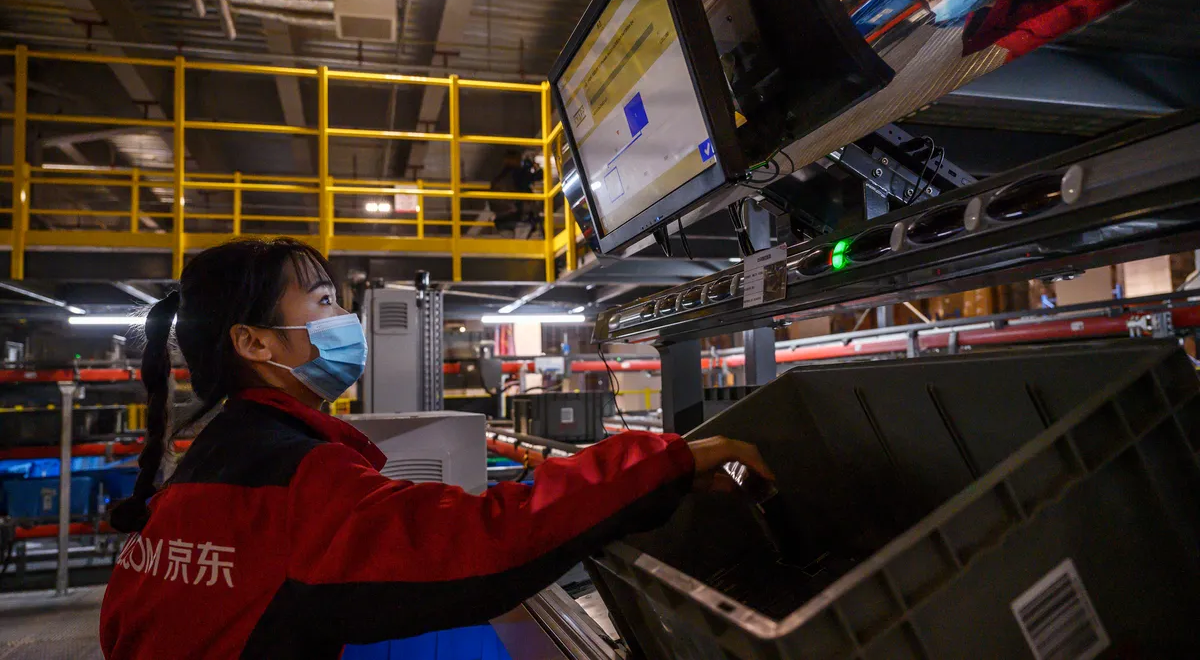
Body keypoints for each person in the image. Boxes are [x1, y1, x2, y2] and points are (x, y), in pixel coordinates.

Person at [99, 237, 772, 659]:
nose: (346, 319)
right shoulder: (295, 473)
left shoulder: (203, 469)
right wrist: (666, 459)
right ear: (254, 342)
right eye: (325, 300)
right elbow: (486, 540)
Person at [489, 150, 541, 237]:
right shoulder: (518, 173)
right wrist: (535, 166)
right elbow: (539, 175)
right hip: (519, 218)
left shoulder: (499, 178)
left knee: (510, 246)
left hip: (501, 220)